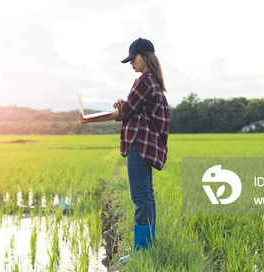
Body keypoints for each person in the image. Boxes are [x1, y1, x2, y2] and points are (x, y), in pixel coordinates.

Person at [79, 37, 170, 262]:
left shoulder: (144, 80)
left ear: (145, 57)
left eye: (133, 58)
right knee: (146, 196)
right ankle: (146, 247)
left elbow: (125, 112)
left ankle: (143, 251)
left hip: (139, 143)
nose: (131, 63)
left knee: (140, 197)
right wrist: (122, 102)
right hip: (146, 144)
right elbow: (133, 108)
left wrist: (89, 119)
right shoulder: (151, 81)